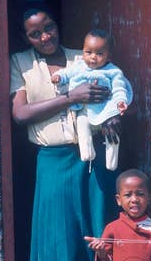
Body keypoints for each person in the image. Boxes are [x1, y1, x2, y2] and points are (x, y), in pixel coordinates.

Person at [10, 3, 121, 261]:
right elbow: (20, 114)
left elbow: (113, 91)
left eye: (50, 28)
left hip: (92, 159)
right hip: (53, 161)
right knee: (59, 249)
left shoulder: (84, 56)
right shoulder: (21, 64)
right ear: (25, 37)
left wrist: (112, 114)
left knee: (95, 247)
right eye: (35, 32)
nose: (45, 37)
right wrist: (69, 99)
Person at [51, 29, 132, 171]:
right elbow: (66, 74)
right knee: (82, 125)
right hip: (84, 108)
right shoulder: (78, 67)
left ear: (109, 57)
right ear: (83, 52)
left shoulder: (113, 72)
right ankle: (87, 152)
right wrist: (58, 77)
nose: (93, 57)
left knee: (112, 135)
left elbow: (120, 89)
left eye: (99, 54)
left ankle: (111, 162)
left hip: (106, 111)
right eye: (88, 52)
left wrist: (120, 102)